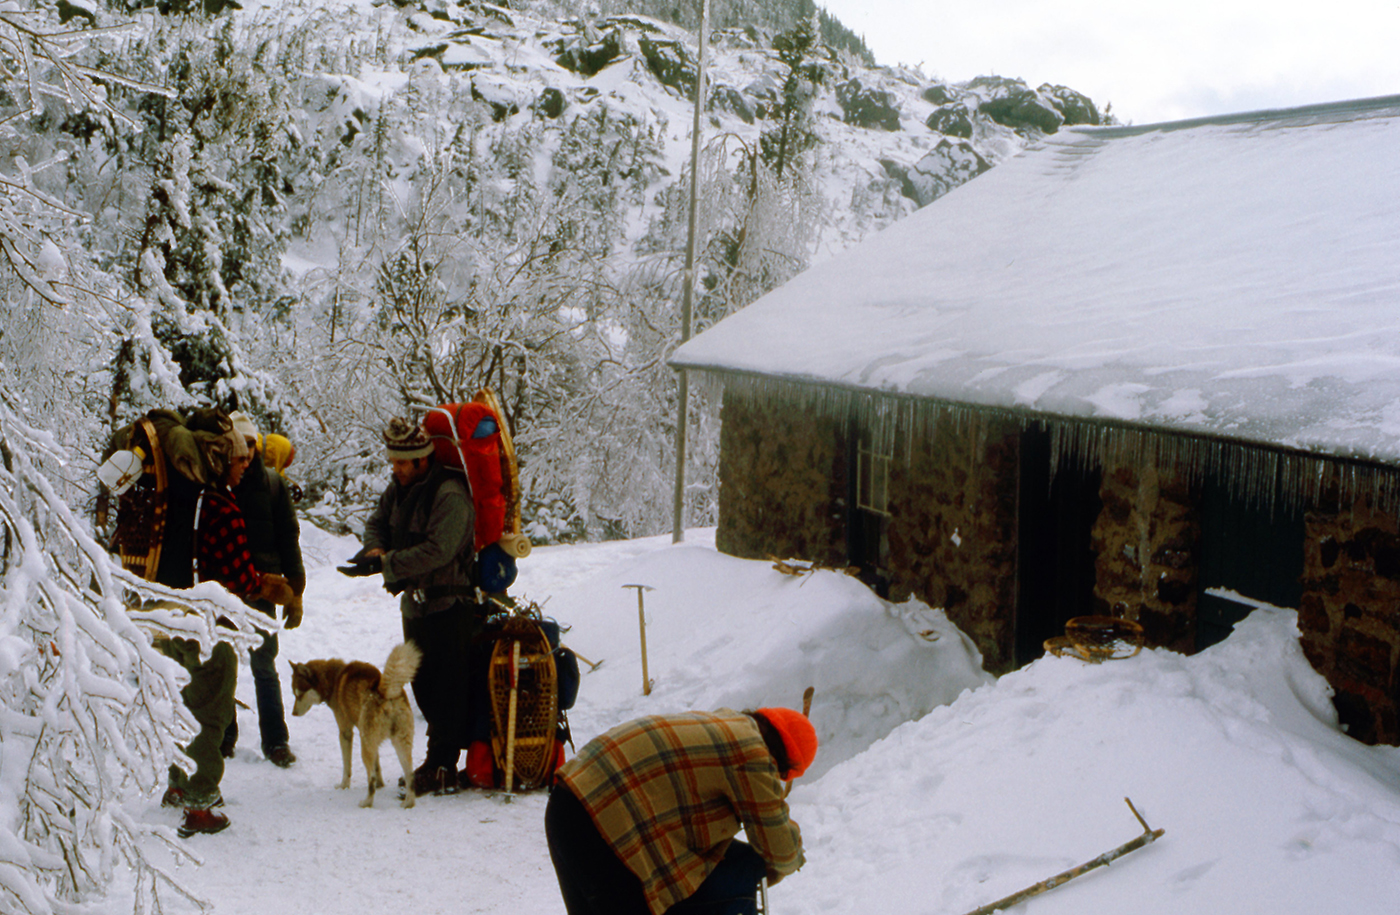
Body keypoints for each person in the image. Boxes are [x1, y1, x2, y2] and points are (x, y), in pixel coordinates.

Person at [149, 409, 295, 837]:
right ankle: (200, 803)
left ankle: (177, 786)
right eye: (238, 460)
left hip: (164, 618)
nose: (245, 465)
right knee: (210, 711)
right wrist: (272, 587)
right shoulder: (219, 507)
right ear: (216, 458)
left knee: (183, 705)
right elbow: (239, 575)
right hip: (206, 625)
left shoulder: (176, 496)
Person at [545, 707, 817, 915]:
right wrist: (787, 860)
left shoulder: (724, 724)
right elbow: (779, 846)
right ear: (782, 761)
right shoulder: (752, 753)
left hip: (567, 801)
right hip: (603, 825)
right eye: (781, 775)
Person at [339, 416, 480, 795]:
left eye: (403, 463)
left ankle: (443, 766)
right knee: (425, 687)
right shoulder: (399, 489)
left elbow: (439, 550)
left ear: (422, 460)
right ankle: (436, 762)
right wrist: (374, 549)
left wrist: (386, 564)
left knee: (448, 688)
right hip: (416, 607)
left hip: (450, 605)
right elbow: (377, 522)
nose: (396, 469)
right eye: (394, 462)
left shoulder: (450, 495)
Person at [221, 412, 305, 768]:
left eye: (252, 444)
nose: (248, 453)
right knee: (221, 665)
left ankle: (275, 740)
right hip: (223, 588)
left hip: (263, 589)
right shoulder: (217, 483)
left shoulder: (272, 484)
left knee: (264, 665)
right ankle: (223, 737)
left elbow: (289, 537)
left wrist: (296, 590)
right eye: (241, 446)